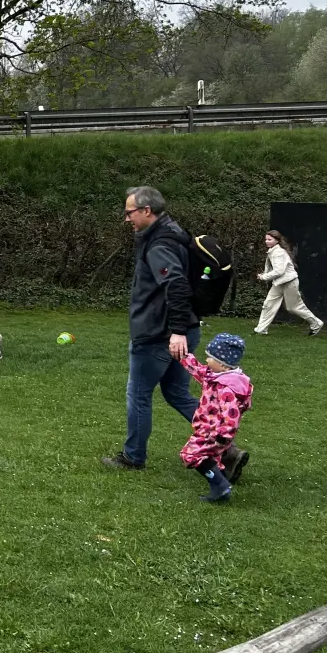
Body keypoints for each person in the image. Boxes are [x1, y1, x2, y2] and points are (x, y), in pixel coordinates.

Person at [103, 186, 245, 481]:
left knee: (139, 394)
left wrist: (176, 331)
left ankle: (133, 457)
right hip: (183, 329)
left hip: (160, 333)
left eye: (129, 212)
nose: (126, 218)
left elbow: (176, 286)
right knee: (177, 392)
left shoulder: (160, 245)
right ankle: (227, 451)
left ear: (146, 211)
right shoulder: (173, 232)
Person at [179, 334, 253, 504]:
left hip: (214, 432)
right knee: (211, 457)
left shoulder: (226, 388)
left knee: (190, 455)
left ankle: (220, 486)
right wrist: (183, 356)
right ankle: (220, 482)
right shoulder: (215, 376)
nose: (206, 360)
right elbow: (198, 370)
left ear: (223, 365)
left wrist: (224, 435)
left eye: (210, 358)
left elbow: (231, 415)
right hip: (209, 428)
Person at [253, 230, 323, 336]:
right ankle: (261, 329)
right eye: (266, 239)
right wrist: (265, 274)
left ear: (277, 240)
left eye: (269, 239)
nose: (266, 241)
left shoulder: (279, 252)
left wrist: (264, 277)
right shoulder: (273, 250)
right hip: (279, 282)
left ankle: (316, 323)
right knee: (268, 304)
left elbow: (279, 271)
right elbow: (274, 269)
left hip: (289, 282)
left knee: (293, 307)